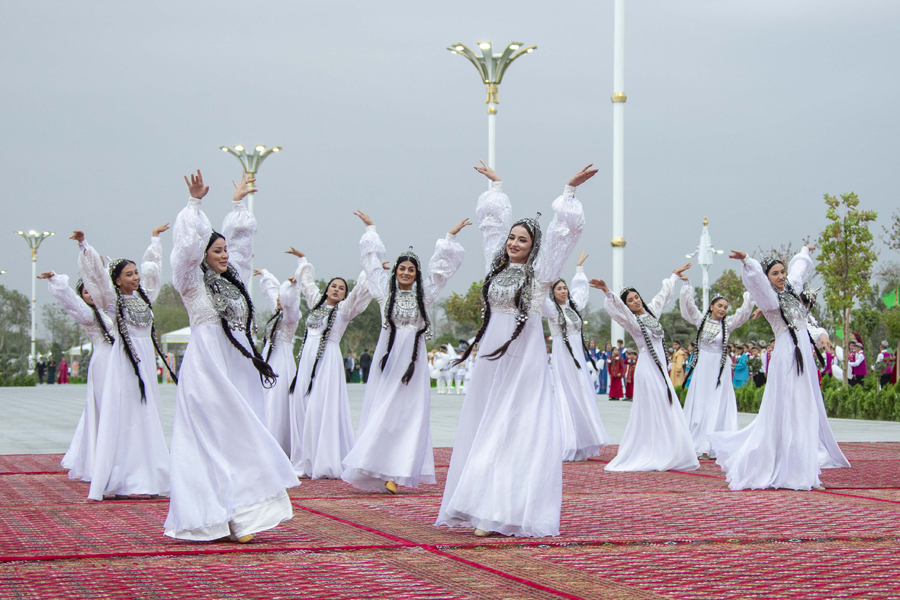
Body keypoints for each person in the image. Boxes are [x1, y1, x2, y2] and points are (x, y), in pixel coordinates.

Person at [437, 161, 592, 538]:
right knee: (485, 420)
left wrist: (569, 191)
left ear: (533, 246)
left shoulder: (541, 275)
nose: (514, 243)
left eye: (522, 239)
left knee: (513, 425)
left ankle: (501, 507)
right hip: (492, 352)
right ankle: (475, 501)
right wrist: (496, 187)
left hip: (523, 355)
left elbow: (562, 235)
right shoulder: (496, 266)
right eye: (513, 238)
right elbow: (490, 229)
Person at [164, 170, 298, 542]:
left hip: (237, 367)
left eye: (224, 251)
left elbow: (240, 243)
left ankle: (243, 511)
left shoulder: (233, 280)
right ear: (202, 256)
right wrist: (195, 202)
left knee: (241, 434)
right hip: (207, 369)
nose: (224, 256)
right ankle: (212, 514)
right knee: (211, 435)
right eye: (216, 251)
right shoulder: (191, 282)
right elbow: (186, 250)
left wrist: (238, 203)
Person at [342, 209, 468, 494]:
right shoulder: (385, 294)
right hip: (389, 359)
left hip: (415, 361)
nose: (407, 273)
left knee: (410, 415)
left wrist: (450, 237)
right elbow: (372, 265)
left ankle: (398, 471)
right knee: (384, 411)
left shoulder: (424, 295)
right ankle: (374, 463)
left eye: (411, 269)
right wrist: (371, 230)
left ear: (416, 274)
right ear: (396, 271)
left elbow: (440, 270)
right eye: (402, 268)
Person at [709, 246, 849, 491]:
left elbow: (799, 272)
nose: (781, 276)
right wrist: (748, 262)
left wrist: (805, 250)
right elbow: (759, 284)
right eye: (775, 273)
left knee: (805, 410)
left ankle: (805, 469)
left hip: (803, 353)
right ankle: (788, 469)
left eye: (782, 271)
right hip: (787, 356)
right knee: (789, 410)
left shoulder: (792, 292)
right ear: (768, 278)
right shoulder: (770, 300)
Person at [75, 227, 173, 502]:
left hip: (145, 365)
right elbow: (94, 277)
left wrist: (155, 240)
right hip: (125, 364)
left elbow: (154, 269)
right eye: (128, 274)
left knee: (147, 413)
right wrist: (85, 246)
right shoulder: (111, 301)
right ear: (116, 281)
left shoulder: (145, 297)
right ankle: (123, 476)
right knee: (126, 416)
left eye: (135, 273)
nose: (135, 277)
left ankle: (152, 473)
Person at [594, 265, 699, 473]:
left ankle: (670, 448)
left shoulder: (651, 312)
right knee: (654, 407)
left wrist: (674, 276)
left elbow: (664, 294)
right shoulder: (633, 321)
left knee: (666, 405)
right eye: (630, 300)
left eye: (636, 297)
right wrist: (607, 290)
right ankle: (653, 449)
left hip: (660, 368)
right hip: (647, 369)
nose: (635, 301)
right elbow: (619, 310)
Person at [288, 249, 371, 480]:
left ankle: (324, 459)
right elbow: (307, 284)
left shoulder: (344, 311)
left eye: (341, 288)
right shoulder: (316, 303)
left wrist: (370, 268)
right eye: (333, 285)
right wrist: (303, 260)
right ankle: (305, 459)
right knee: (301, 406)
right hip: (306, 359)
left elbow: (359, 293)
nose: (336, 289)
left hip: (327, 361)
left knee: (320, 407)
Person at [39, 271, 117, 482]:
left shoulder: (109, 308)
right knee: (102, 406)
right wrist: (56, 280)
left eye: (93, 290)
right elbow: (69, 300)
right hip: (103, 360)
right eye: (86, 292)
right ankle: (97, 458)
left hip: (119, 360)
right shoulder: (87, 314)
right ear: (81, 296)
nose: (90, 294)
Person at [543, 251, 611, 462]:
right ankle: (566, 441)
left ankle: (585, 440)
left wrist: (579, 269)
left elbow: (581, 291)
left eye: (564, 288)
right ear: (552, 292)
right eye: (559, 288)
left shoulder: (573, 308)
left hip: (578, 356)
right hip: (563, 354)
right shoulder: (551, 309)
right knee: (565, 392)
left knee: (582, 391)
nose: (563, 291)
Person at [680, 282, 754, 458]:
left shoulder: (727, 324)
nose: (722, 309)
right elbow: (689, 308)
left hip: (720, 369)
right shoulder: (701, 321)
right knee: (700, 403)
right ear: (711, 306)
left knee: (717, 403)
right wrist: (686, 285)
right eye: (719, 306)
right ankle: (696, 441)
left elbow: (743, 314)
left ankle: (713, 444)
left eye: (726, 307)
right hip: (703, 366)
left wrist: (750, 296)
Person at [255, 260, 304, 456]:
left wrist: (293, 287)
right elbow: (271, 290)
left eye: (282, 299)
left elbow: (291, 304)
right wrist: (265, 273)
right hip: (269, 358)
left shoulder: (291, 317)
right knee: (266, 399)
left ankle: (278, 445)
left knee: (278, 400)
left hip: (282, 361)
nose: (278, 301)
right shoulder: (276, 314)